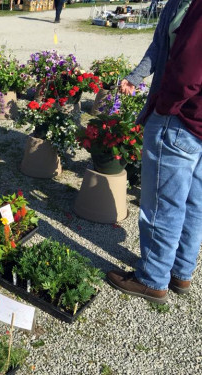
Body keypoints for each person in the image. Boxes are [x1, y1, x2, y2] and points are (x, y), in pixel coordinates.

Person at [107, 0, 202, 304]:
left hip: (181, 119)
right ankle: (180, 272)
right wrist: (135, 77)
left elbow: (188, 67)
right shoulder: (177, 3)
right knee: (192, 202)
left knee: (163, 205)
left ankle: (152, 278)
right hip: (197, 121)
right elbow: (160, 46)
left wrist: (165, 106)